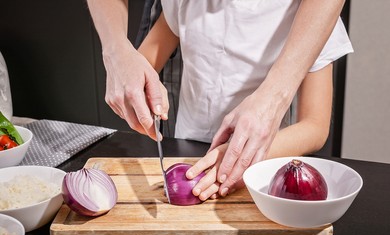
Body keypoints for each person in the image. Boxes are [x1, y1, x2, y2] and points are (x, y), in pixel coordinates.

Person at [87, 0, 352, 200]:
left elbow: (315, 127)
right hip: (186, 157)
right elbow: (146, 61)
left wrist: (239, 158)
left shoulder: (304, 15)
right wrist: (130, 74)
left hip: (261, 169)